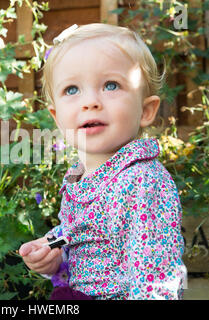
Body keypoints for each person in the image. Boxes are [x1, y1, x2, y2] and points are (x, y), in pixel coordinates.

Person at [18, 23, 187, 300]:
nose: (90, 102)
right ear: (57, 118)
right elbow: (79, 230)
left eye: (111, 85)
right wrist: (52, 247)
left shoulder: (141, 180)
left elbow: (155, 276)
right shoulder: (82, 177)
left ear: (146, 111)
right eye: (72, 90)